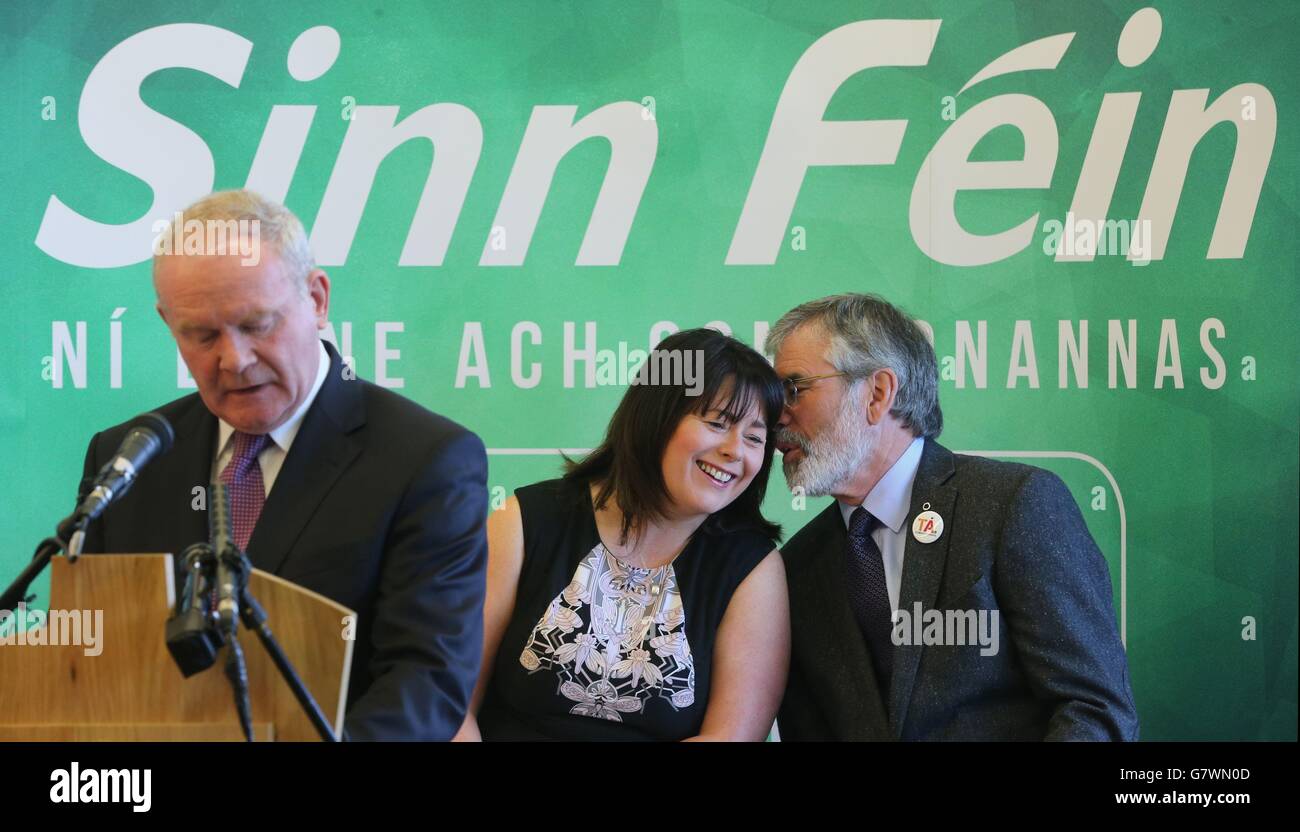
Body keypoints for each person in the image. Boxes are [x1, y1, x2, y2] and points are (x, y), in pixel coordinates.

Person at [77, 190, 487, 741]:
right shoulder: (127, 456)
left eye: (256, 324)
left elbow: (424, 684)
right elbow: (93, 655)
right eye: (202, 335)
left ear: (317, 298)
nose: (235, 359)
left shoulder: (426, 460)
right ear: (169, 324)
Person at [769, 293, 1139, 740]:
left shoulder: (1013, 505)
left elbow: (1093, 709)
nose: (776, 417)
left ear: (878, 393)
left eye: (794, 388)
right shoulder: (797, 567)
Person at [455, 329, 790, 741]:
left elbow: (731, 738)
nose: (736, 451)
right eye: (718, 423)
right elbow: (451, 701)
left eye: (755, 438)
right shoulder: (526, 520)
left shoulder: (751, 568)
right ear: (658, 415)